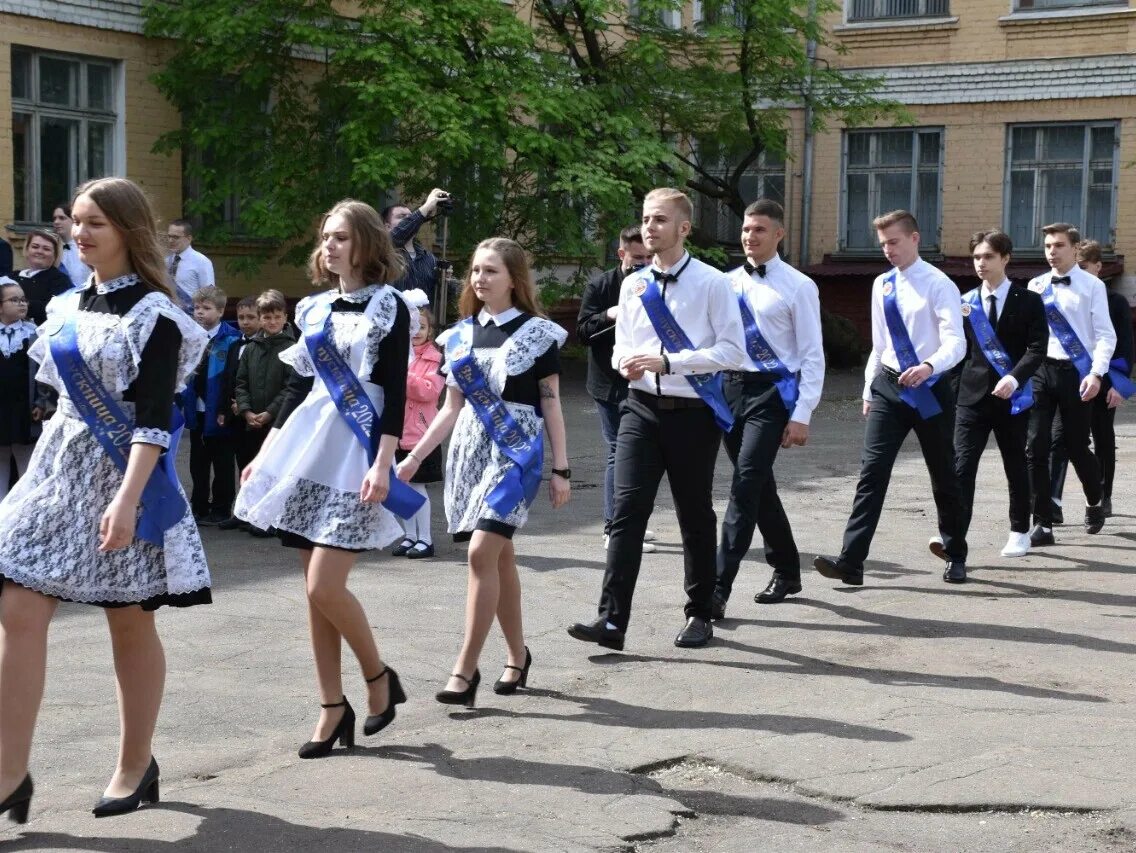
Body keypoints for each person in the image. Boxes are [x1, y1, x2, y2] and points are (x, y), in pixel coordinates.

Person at [0, 177, 210, 822]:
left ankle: (134, 763)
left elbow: (152, 421)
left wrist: (125, 500)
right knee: (19, 606)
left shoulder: (158, 315)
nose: (82, 234)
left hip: (127, 479)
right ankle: (8, 774)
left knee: (129, 618)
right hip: (56, 472)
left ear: (129, 230)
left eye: (98, 223)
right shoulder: (64, 308)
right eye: (78, 223)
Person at [234, 199, 414, 758]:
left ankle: (379, 675)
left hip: (356, 453)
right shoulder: (310, 310)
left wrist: (385, 462)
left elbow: (394, 393)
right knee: (313, 596)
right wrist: (267, 453)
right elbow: (298, 391)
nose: (329, 245)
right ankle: (332, 707)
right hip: (308, 448)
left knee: (324, 585)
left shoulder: (391, 306)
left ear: (366, 242)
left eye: (340, 236)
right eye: (325, 237)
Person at [567, 187, 746, 652]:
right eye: (646, 219)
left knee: (693, 515)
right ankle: (611, 621)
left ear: (683, 228)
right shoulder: (633, 285)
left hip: (693, 415)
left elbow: (732, 351)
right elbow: (623, 344)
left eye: (660, 220)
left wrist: (670, 362)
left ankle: (699, 612)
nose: (650, 228)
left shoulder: (713, 283)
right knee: (626, 516)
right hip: (639, 410)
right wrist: (628, 362)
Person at [396, 237, 570, 706]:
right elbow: (450, 409)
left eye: (490, 271)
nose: (479, 278)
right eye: (475, 270)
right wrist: (412, 459)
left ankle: (464, 669)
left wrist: (561, 467)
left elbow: (551, 404)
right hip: (470, 451)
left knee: (480, 553)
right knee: (500, 558)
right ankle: (517, 656)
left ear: (513, 278)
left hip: (517, 453)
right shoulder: (459, 336)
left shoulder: (539, 333)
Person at [814, 210, 967, 586]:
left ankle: (955, 551)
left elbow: (956, 342)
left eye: (894, 242)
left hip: (929, 390)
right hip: (889, 387)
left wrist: (931, 366)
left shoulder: (939, 284)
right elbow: (879, 345)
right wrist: (869, 389)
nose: (888, 250)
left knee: (943, 474)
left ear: (915, 238)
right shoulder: (882, 284)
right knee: (872, 473)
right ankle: (851, 562)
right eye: (883, 244)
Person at [714, 199, 824, 617]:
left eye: (759, 229)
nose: (749, 236)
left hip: (773, 395)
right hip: (730, 391)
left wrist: (802, 414)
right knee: (760, 486)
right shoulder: (723, 283)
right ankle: (788, 570)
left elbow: (813, 355)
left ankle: (717, 588)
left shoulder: (798, 286)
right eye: (745, 229)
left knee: (744, 485)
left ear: (778, 234)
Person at [946, 230, 1047, 571]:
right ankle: (955, 541)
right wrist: (955, 392)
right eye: (976, 257)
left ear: (1005, 258)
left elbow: (1037, 349)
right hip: (971, 400)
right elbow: (958, 352)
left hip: (1013, 398)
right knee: (960, 470)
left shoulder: (1028, 301)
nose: (981, 263)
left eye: (988, 256)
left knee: (1016, 465)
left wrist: (1014, 377)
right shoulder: (965, 302)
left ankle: (1019, 529)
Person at [1025, 223, 1116, 544]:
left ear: (1075, 249)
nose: (1052, 252)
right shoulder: (1035, 286)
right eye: (1048, 246)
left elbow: (1106, 335)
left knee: (1075, 446)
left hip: (1077, 374)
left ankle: (1094, 499)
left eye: (1059, 245)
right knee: (1036, 446)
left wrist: (1096, 373)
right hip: (1041, 372)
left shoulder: (1092, 286)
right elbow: (1029, 335)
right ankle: (1043, 522)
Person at [575, 226, 658, 554]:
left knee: (643, 456)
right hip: (609, 385)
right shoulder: (601, 285)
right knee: (618, 453)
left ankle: (631, 520)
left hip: (646, 383)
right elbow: (582, 332)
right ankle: (614, 527)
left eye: (649, 257)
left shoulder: (656, 283)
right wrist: (611, 313)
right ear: (621, 254)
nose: (644, 263)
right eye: (637, 258)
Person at [1048, 239, 1132, 520]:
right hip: (1070, 378)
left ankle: (1103, 495)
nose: (1079, 271)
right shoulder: (1063, 296)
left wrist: (1120, 385)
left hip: (1104, 381)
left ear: (1099, 266)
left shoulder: (1115, 301)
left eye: (1084, 266)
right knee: (1061, 440)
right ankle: (1054, 500)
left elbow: (1124, 347)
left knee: (1102, 438)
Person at [227, 290, 296, 534]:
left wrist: (268, 413)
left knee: (273, 470)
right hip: (250, 420)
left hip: (276, 421)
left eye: (277, 317)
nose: (272, 322)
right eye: (267, 317)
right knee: (248, 465)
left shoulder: (291, 347)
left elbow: (291, 387)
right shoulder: (252, 347)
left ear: (285, 317)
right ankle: (248, 513)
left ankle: (271, 520)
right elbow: (241, 381)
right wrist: (246, 411)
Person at [391, 289, 444, 559]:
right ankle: (410, 536)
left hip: (422, 434)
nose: (416, 332)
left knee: (418, 487)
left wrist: (403, 374)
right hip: (396, 433)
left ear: (430, 330)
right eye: (411, 327)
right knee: (400, 488)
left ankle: (426, 539)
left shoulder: (435, 359)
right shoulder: (398, 355)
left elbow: (428, 392)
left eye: (421, 327)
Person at [182, 286, 241, 525]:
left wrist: (228, 407)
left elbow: (234, 376)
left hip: (220, 409)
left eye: (206, 308)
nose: (200, 313)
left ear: (220, 311)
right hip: (195, 408)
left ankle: (221, 507)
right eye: (197, 308)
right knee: (198, 462)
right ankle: (199, 507)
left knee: (224, 463)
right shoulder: (189, 335)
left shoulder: (231, 338)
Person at [0, 278, 51, 501]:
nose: (22, 304)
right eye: (14, 300)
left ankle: (23, 514)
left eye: (24, 300)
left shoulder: (34, 334)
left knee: (27, 466)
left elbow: (45, 372)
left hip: (23, 410)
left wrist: (42, 402)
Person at [383, 189, 448, 293]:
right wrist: (426, 207)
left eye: (410, 216)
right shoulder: (383, 252)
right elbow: (397, 235)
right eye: (402, 217)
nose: (410, 220)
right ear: (387, 227)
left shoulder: (429, 258)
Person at [14, 229, 72, 325]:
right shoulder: (12, 277)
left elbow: (56, 312)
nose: (40, 251)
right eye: (35, 247)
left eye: (46, 249)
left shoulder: (60, 281)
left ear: (55, 254)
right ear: (27, 249)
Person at [166, 219, 216, 312]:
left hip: (191, 317)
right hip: (168, 315)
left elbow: (209, 295)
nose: (170, 240)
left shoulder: (201, 261)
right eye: (169, 236)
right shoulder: (166, 262)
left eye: (176, 237)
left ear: (189, 238)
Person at [51, 203, 92, 289]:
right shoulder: (50, 249)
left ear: (73, 220)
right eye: (54, 218)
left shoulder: (85, 247)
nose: (56, 222)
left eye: (62, 218)